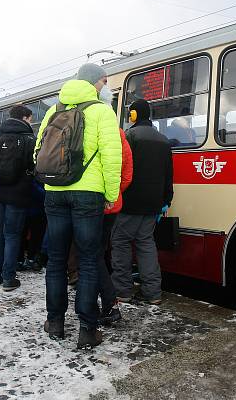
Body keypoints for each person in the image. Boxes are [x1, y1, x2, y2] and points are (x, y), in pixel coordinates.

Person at [36, 63, 121, 349]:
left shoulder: (53, 110)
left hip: (55, 192)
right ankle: (87, 329)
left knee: (57, 260)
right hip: (88, 194)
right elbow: (111, 158)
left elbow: (39, 151)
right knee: (88, 261)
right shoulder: (102, 111)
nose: (105, 86)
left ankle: (55, 322)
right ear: (95, 83)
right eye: (105, 81)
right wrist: (110, 193)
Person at [111, 99, 174, 305]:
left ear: (135, 115)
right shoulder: (163, 140)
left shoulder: (129, 137)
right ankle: (152, 292)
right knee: (146, 244)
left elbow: (121, 169)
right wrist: (166, 200)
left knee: (120, 244)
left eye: (130, 114)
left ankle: (123, 291)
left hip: (130, 202)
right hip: (153, 204)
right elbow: (168, 174)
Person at [0, 104, 36, 292]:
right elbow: (34, 165)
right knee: (12, 235)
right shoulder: (29, 139)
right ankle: (9, 278)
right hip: (17, 193)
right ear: (26, 118)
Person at [98, 126, 133, 326]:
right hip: (111, 206)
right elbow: (127, 173)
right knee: (98, 254)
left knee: (90, 256)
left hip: (86, 205)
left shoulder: (81, 125)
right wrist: (113, 196)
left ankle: (109, 305)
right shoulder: (119, 134)